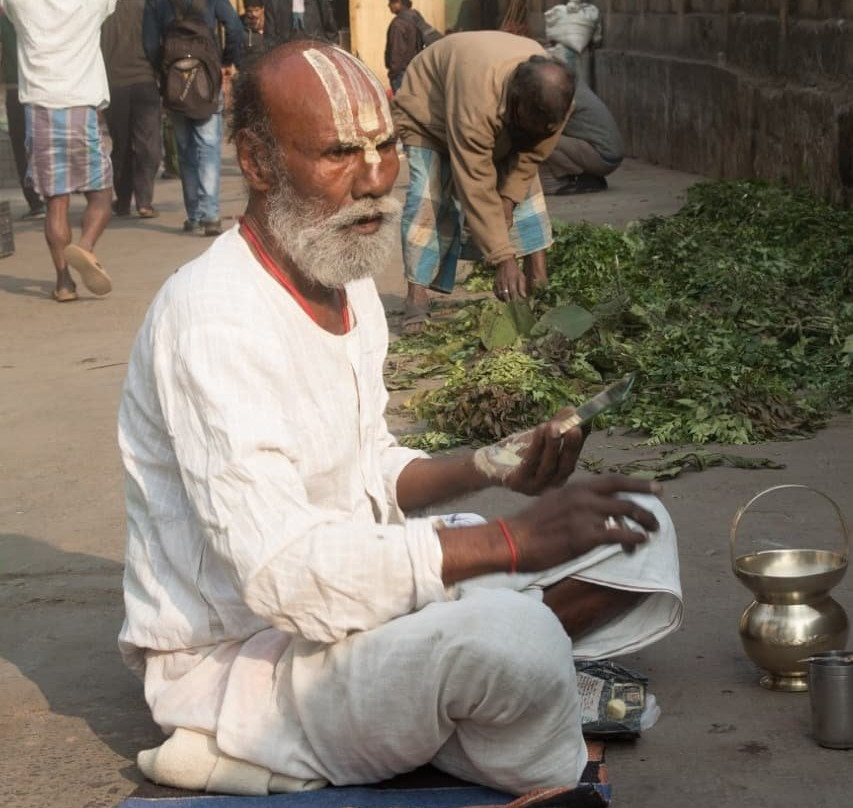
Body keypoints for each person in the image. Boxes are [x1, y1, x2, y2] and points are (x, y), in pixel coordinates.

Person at [118, 41, 682, 797]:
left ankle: (447, 700)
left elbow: (367, 466)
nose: (379, 179)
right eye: (339, 153)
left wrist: (489, 467)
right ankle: (254, 743)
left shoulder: (341, 282)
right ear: (256, 161)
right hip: (251, 653)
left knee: (639, 525)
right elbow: (282, 577)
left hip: (358, 585)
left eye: (385, 146)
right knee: (512, 644)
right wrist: (509, 544)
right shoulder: (212, 319)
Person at [393, 31, 572, 333]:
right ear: (515, 104)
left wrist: (509, 198)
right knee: (430, 195)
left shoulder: (556, 97)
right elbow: (475, 182)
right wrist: (502, 258)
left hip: (500, 119)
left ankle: (539, 283)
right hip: (428, 111)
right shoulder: (478, 102)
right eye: (533, 124)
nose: (546, 128)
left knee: (526, 186)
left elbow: (532, 153)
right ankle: (417, 299)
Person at [0, 0, 115, 303]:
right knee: (101, 196)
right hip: (82, 108)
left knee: (56, 201)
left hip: (39, 110)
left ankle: (64, 282)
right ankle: (86, 247)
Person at [143, 0, 244, 236]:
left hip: (175, 80)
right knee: (208, 148)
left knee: (185, 148)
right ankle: (210, 215)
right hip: (207, 77)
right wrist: (226, 60)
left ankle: (195, 215)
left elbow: (149, 44)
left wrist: (166, 69)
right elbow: (234, 27)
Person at [101, 0, 162, 218]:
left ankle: (124, 200)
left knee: (121, 145)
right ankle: (144, 201)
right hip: (144, 80)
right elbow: (156, 43)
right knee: (148, 144)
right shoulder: (146, 6)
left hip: (113, 84)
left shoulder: (101, 8)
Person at [538, 79, 623, 196]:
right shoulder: (570, 82)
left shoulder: (557, 90)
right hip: (606, 154)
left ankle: (580, 177)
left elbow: (541, 129)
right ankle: (584, 177)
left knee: (539, 141)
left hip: (602, 156)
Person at [0, 12, 45, 221]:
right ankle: (52, 195)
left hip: (17, 87)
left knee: (21, 146)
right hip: (43, 87)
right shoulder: (38, 13)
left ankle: (36, 201)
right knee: (44, 142)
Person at [384, 0, 424, 95]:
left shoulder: (398, 24)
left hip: (401, 74)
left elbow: (397, 52)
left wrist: (393, 74)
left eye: (392, 2)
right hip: (416, 70)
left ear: (400, 3)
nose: (389, 5)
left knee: (402, 106)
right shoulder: (415, 19)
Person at [263, 0, 337, 46]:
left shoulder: (319, 2)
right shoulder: (273, 2)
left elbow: (330, 30)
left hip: (315, 53)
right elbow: (269, 38)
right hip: (285, 57)